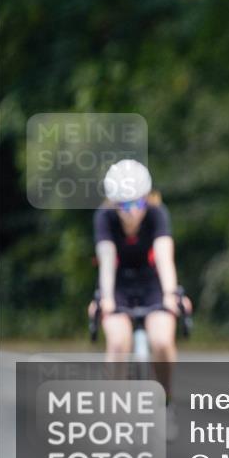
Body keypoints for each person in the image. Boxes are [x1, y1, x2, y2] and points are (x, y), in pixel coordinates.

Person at [88, 159, 191, 434]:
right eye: (123, 205)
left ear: (147, 198)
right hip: (119, 284)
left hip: (152, 282)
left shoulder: (158, 214)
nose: (131, 212)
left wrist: (171, 294)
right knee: (118, 343)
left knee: (161, 341)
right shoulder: (104, 218)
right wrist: (106, 299)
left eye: (137, 204)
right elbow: (107, 261)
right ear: (112, 203)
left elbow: (164, 257)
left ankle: (166, 402)